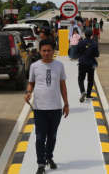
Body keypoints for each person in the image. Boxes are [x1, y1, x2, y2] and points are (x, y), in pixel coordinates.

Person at [25, 39, 69, 174]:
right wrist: (28, 92)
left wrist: (66, 104)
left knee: (52, 136)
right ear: (39, 51)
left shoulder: (59, 65)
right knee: (40, 137)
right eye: (43, 50)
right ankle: (41, 164)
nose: (46, 53)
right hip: (39, 108)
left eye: (49, 50)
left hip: (55, 108)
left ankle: (49, 157)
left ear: (53, 51)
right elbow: (31, 83)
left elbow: (62, 85)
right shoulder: (34, 66)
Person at [77, 29, 99, 102]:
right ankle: (88, 95)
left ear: (84, 34)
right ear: (91, 35)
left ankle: (83, 92)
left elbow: (75, 52)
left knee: (81, 79)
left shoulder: (80, 42)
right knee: (90, 80)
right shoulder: (94, 43)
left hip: (82, 63)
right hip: (90, 64)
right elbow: (97, 54)